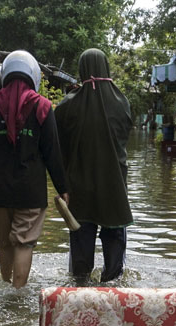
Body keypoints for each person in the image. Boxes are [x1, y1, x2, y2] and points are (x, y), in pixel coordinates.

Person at [0, 50, 69, 289]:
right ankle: (17, 296)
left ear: (6, 75)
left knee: (5, 244)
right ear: (33, 75)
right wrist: (63, 188)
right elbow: (52, 152)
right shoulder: (43, 107)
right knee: (24, 244)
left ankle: (4, 290)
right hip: (30, 191)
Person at [54, 48, 133, 285]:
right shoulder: (122, 103)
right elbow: (123, 140)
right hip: (114, 185)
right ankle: (113, 285)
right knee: (114, 235)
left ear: (82, 70)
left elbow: (59, 147)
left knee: (81, 234)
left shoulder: (67, 106)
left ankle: (79, 286)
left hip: (79, 185)